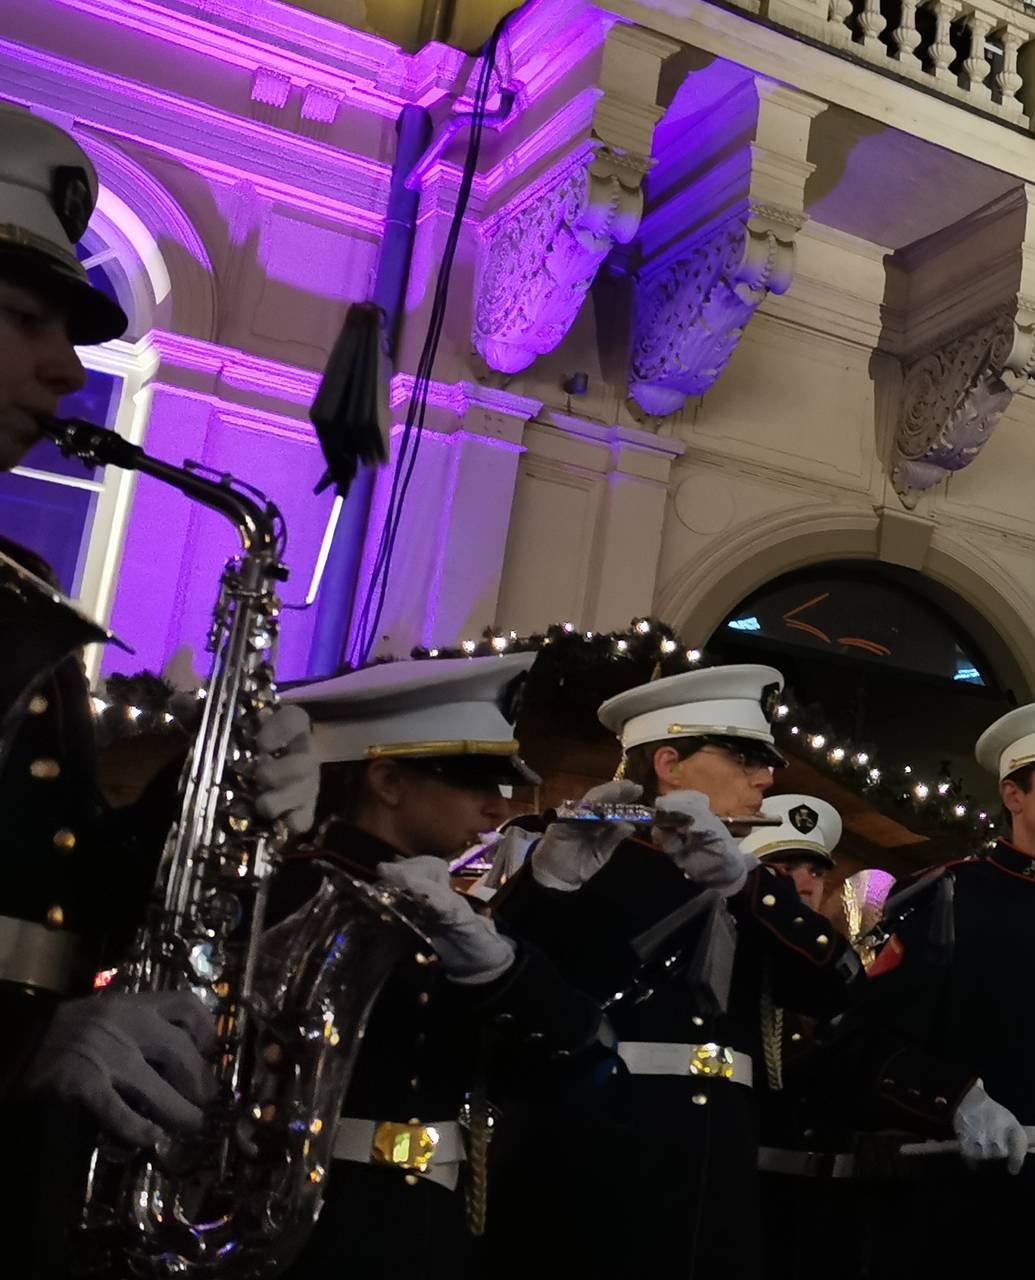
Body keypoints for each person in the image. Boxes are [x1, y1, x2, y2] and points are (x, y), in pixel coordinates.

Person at [0, 101, 321, 1272]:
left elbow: (60, 888)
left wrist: (210, 780)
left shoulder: (20, 595)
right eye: (24, 318)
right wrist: (23, 1043)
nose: (62, 369)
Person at [483, 665, 859, 1279]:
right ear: (668, 763)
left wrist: (741, 887)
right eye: (743, 757)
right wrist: (548, 888)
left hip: (718, 1152)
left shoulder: (751, 882)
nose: (765, 776)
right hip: (597, 1146)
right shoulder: (573, 849)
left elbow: (839, 985)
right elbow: (496, 986)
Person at [265, 655, 607, 1280]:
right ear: (389, 781)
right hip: (318, 1218)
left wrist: (501, 963)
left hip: (434, 1222)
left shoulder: (450, 908)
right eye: (472, 781)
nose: (493, 807)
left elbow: (572, 1039)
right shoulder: (296, 893)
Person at [831, 697, 1035, 1274]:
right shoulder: (946, 896)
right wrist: (956, 1097)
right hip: (972, 1211)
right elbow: (865, 1043)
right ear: (1014, 794)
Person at [738, 793, 864, 1280]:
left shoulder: (839, 968)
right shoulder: (736, 963)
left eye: (816, 870)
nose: (807, 881)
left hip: (827, 1202)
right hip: (746, 1188)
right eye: (785, 867)